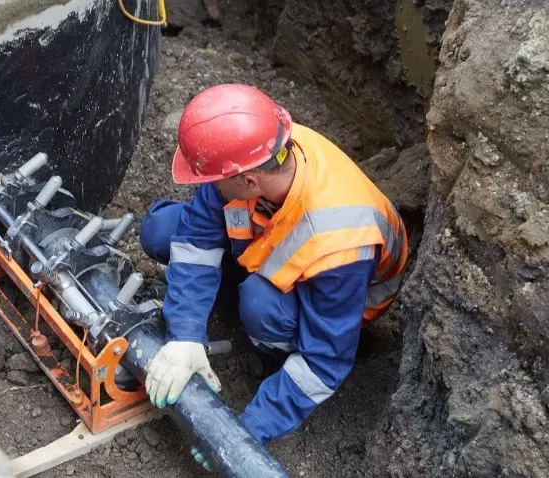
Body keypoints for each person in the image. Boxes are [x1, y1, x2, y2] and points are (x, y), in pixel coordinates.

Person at [140, 83, 409, 468]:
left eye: (211, 178)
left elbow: (324, 362)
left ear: (248, 182)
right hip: (271, 244)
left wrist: (248, 430)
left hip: (338, 298)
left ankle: (272, 356)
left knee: (260, 304)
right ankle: (232, 305)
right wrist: (184, 333)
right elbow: (196, 238)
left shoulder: (341, 240)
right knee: (161, 230)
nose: (206, 185)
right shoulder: (257, 145)